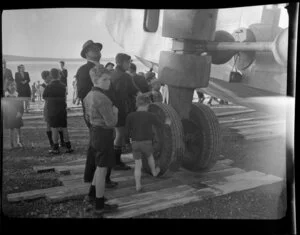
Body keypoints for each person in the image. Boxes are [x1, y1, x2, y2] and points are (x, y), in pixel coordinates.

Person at [76, 40, 117, 190]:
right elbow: (82, 92)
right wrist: (100, 99)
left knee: (95, 145)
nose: (98, 52)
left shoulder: (98, 68)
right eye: (93, 50)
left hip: (102, 109)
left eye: (98, 49)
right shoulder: (83, 70)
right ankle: (102, 179)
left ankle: (91, 176)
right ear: (86, 53)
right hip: (97, 112)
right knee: (103, 145)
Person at [83, 65, 119, 215]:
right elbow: (111, 123)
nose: (108, 82)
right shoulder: (103, 98)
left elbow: (86, 118)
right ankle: (99, 206)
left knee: (98, 167)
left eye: (109, 79)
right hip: (103, 135)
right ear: (96, 80)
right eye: (105, 79)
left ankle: (91, 196)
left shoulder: (87, 96)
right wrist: (115, 112)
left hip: (94, 133)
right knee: (102, 170)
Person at [125, 93, 171, 192]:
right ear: (148, 105)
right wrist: (167, 124)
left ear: (137, 104)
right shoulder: (150, 115)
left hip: (135, 143)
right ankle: (154, 172)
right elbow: (160, 126)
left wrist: (127, 142)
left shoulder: (130, 116)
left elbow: (127, 131)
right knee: (150, 157)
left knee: (138, 165)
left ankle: (138, 184)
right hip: (146, 143)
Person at [110, 53, 139, 171]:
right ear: (120, 63)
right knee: (120, 135)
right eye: (128, 62)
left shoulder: (112, 73)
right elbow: (135, 91)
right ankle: (116, 162)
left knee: (118, 134)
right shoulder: (125, 76)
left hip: (113, 108)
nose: (129, 64)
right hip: (122, 109)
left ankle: (115, 160)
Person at [43, 68, 73, 154]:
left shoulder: (48, 86)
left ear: (51, 76)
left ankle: (55, 148)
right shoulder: (63, 86)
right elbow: (64, 96)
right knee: (64, 128)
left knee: (54, 129)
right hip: (62, 109)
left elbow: (44, 97)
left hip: (52, 109)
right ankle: (68, 147)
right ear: (59, 75)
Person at [3, 80, 24, 149]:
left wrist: (20, 112)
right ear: (8, 86)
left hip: (17, 114)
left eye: (14, 85)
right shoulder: (5, 95)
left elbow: (21, 105)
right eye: (11, 85)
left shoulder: (17, 94)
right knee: (11, 130)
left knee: (19, 130)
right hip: (9, 115)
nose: (13, 86)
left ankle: (19, 143)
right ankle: (11, 144)